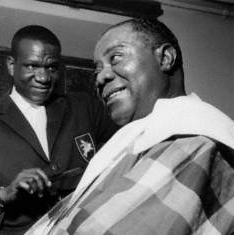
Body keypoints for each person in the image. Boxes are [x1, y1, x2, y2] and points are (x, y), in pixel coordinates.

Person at [25, 17, 234, 235]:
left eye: (115, 58)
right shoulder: (146, 138)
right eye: (97, 70)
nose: (101, 77)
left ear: (166, 58)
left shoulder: (194, 142)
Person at [0, 25, 118, 235]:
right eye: (32, 66)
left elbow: (131, 144)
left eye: (51, 68)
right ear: (11, 65)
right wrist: (3, 194)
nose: (43, 78)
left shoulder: (85, 107)